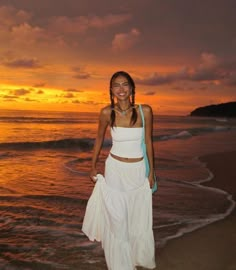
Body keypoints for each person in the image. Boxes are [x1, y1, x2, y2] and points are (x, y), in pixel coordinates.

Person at [82, 71, 156, 270]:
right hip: (114, 169)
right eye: (116, 85)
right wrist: (92, 166)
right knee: (117, 218)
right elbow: (98, 139)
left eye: (125, 85)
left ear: (132, 88)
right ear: (111, 89)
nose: (121, 89)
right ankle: (119, 264)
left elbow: (148, 142)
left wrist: (152, 173)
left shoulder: (145, 111)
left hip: (137, 170)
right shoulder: (107, 112)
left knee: (136, 216)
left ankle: (133, 258)